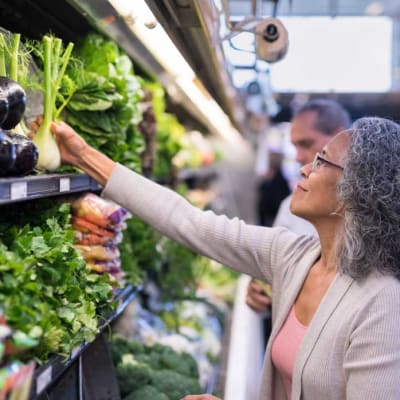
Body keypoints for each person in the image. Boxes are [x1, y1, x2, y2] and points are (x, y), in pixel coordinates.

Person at [47, 116, 400, 400]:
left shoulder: (382, 302)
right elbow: (189, 222)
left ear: (358, 189)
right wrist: (83, 156)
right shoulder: (295, 257)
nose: (305, 167)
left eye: (322, 160)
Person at [247, 98, 351, 314]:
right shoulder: (290, 205)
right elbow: (270, 266)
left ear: (341, 140)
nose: (298, 158)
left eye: (306, 144)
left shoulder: (377, 213)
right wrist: (260, 288)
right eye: (294, 146)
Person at [257, 149, 291, 227]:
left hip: (273, 216)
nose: (271, 161)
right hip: (264, 216)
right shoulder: (267, 177)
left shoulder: (281, 180)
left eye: (273, 159)